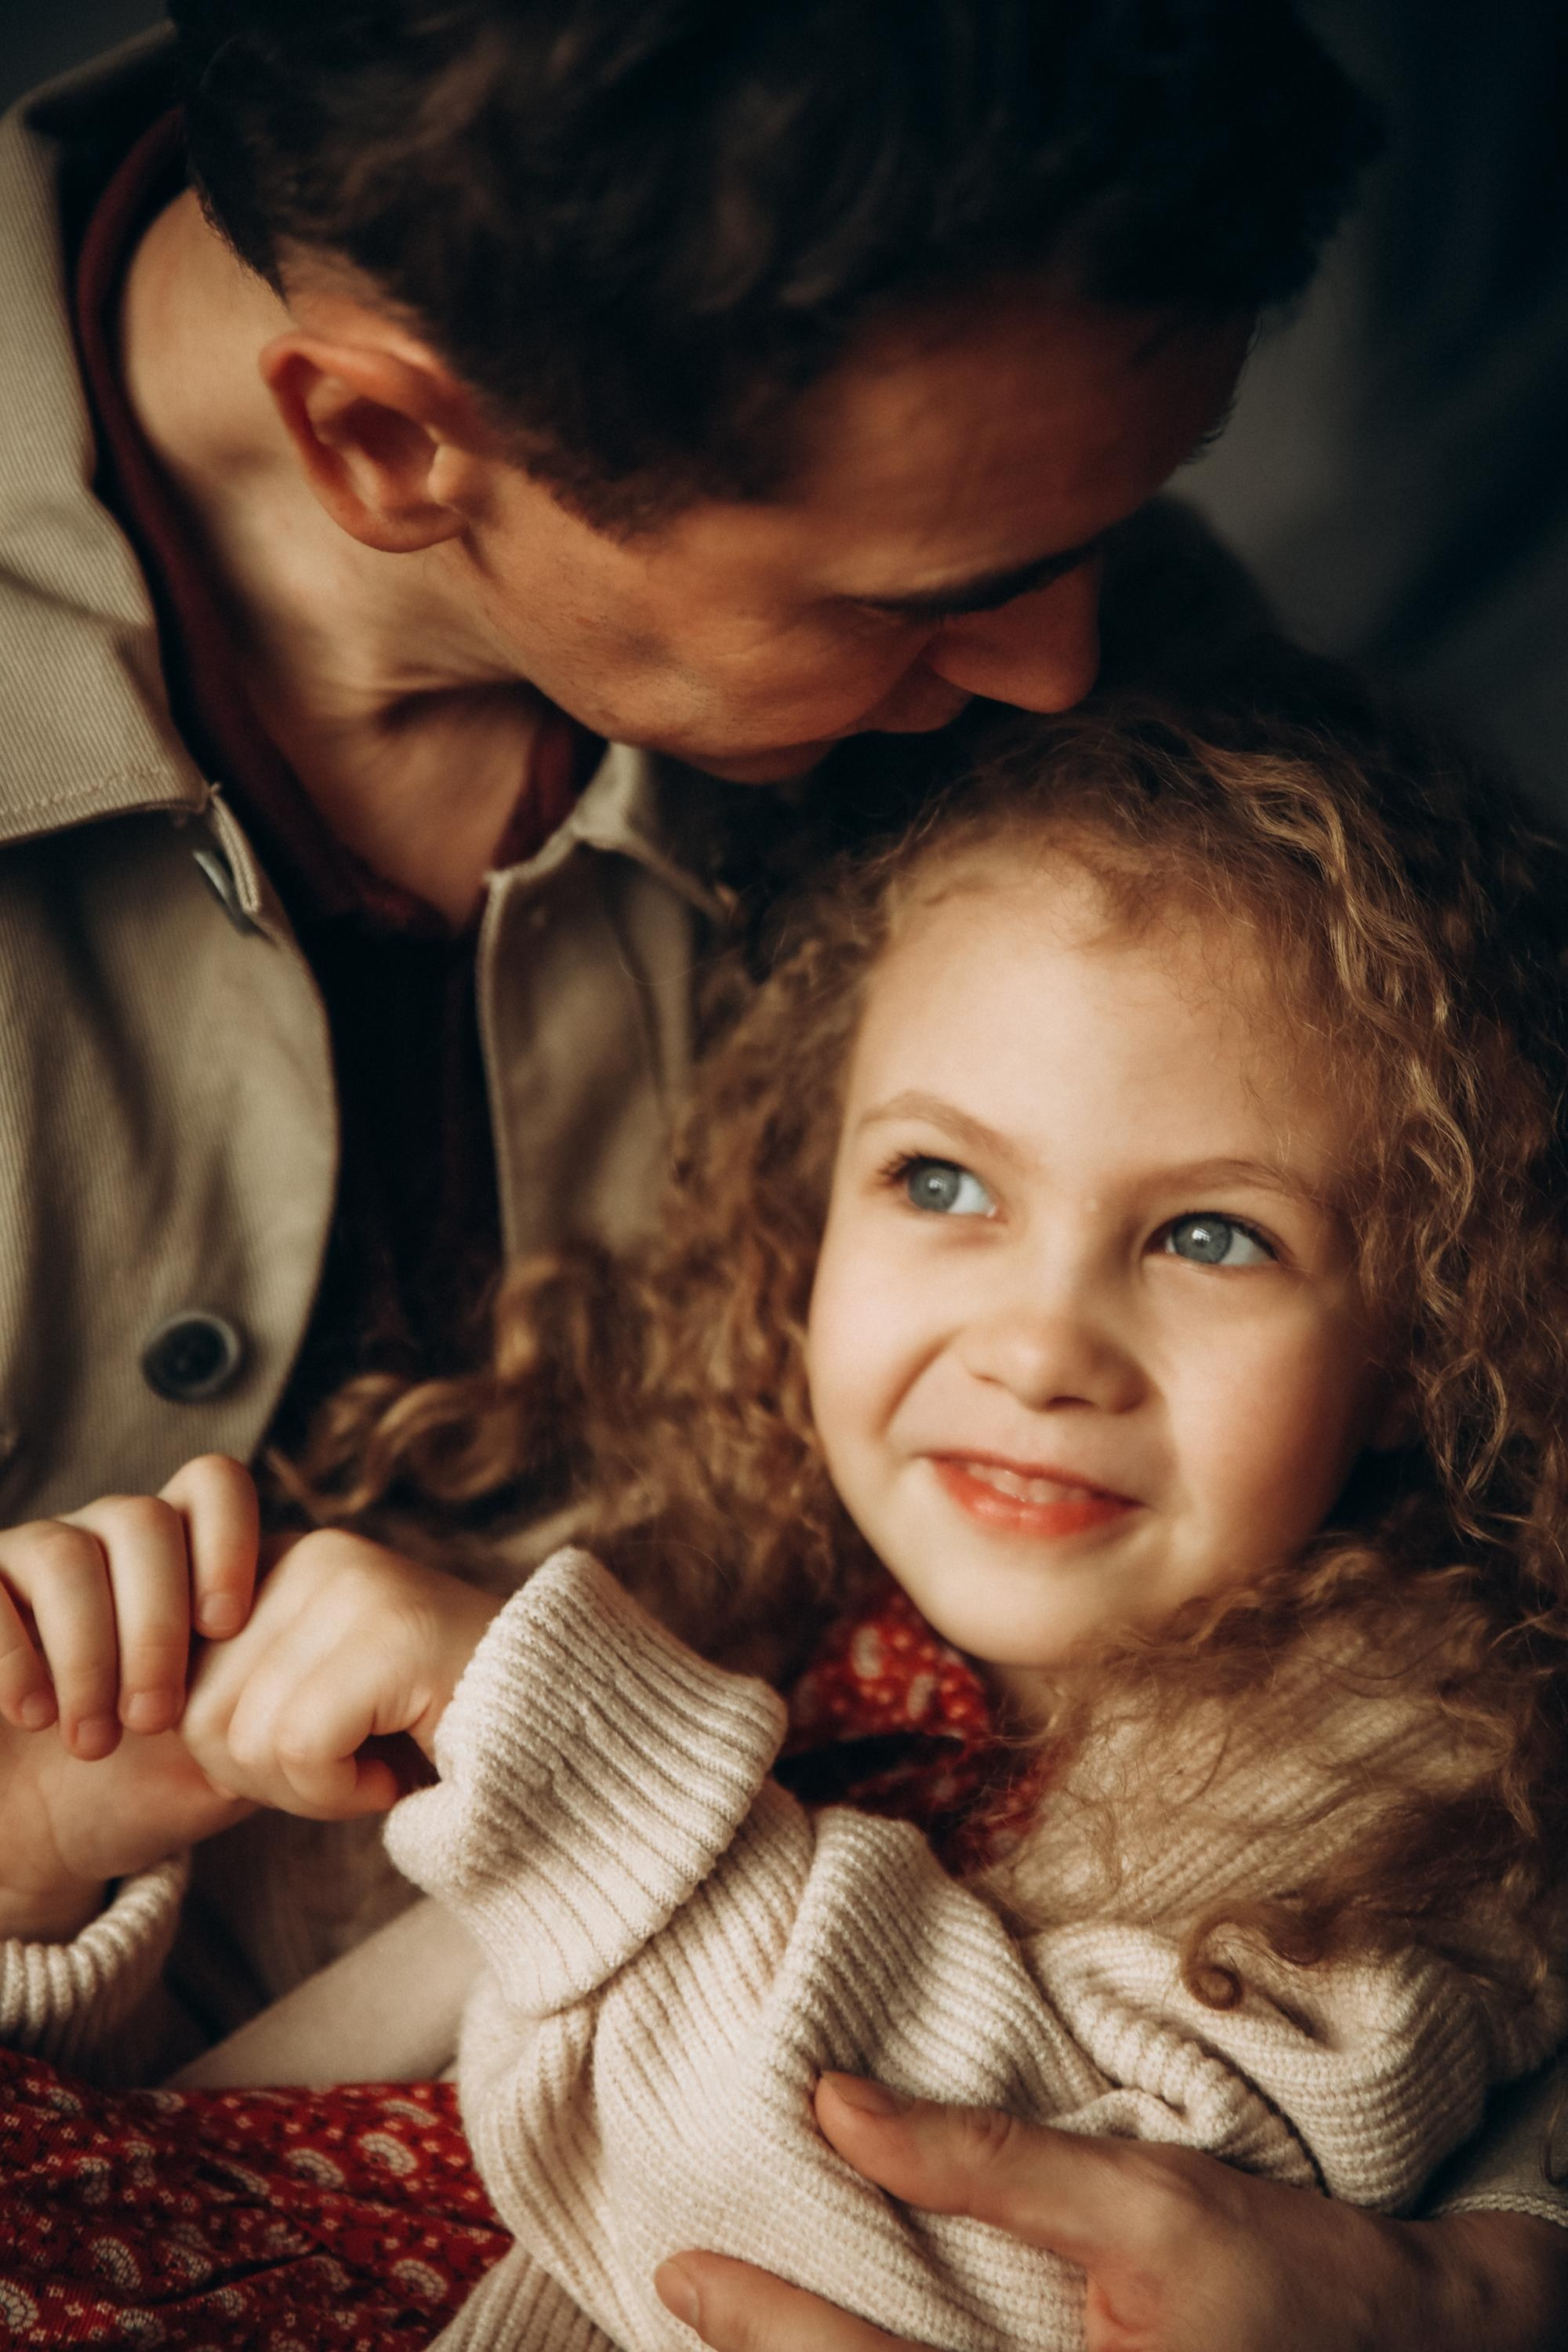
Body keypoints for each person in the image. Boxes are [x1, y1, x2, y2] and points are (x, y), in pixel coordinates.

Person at [1, 0, 1564, 2339]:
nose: (1066, 671)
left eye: (1110, 532)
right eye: (912, 598)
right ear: (384, 436)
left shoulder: (1109, 664)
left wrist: (1474, 2284)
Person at [24, 677, 1568, 2346]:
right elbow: (226, 2067)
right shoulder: (715, 1571)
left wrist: (544, 1741)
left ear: (1427, 1336)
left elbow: (1019, 2251)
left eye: (1210, 1236)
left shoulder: (1410, 1794)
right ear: (805, 1203)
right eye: (941, 1184)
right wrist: (56, 1861)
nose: (1040, 1347)